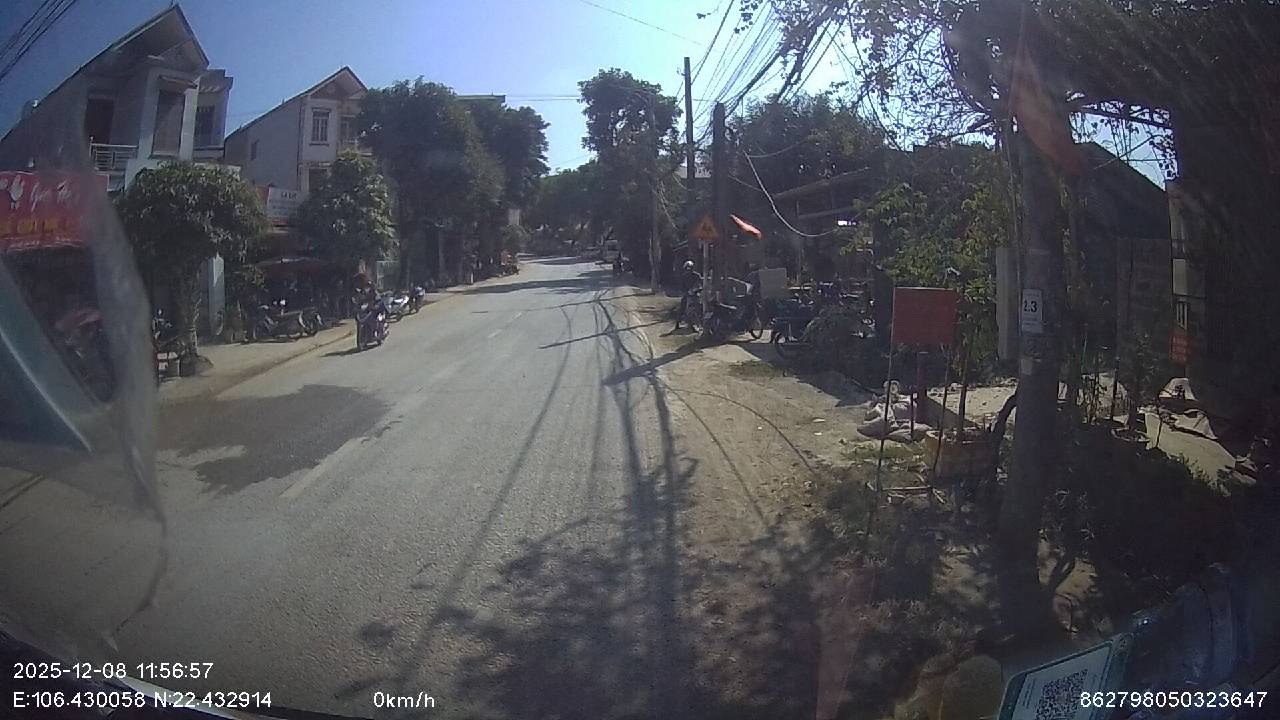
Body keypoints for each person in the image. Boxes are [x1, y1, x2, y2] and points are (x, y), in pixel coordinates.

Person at [672, 260, 703, 331]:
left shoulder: (696, 275)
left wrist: (696, 290)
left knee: (698, 309)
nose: (688, 270)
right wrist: (687, 292)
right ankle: (678, 323)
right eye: (687, 268)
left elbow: (700, 285)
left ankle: (697, 324)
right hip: (687, 295)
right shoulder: (684, 276)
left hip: (695, 294)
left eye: (690, 268)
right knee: (683, 308)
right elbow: (681, 287)